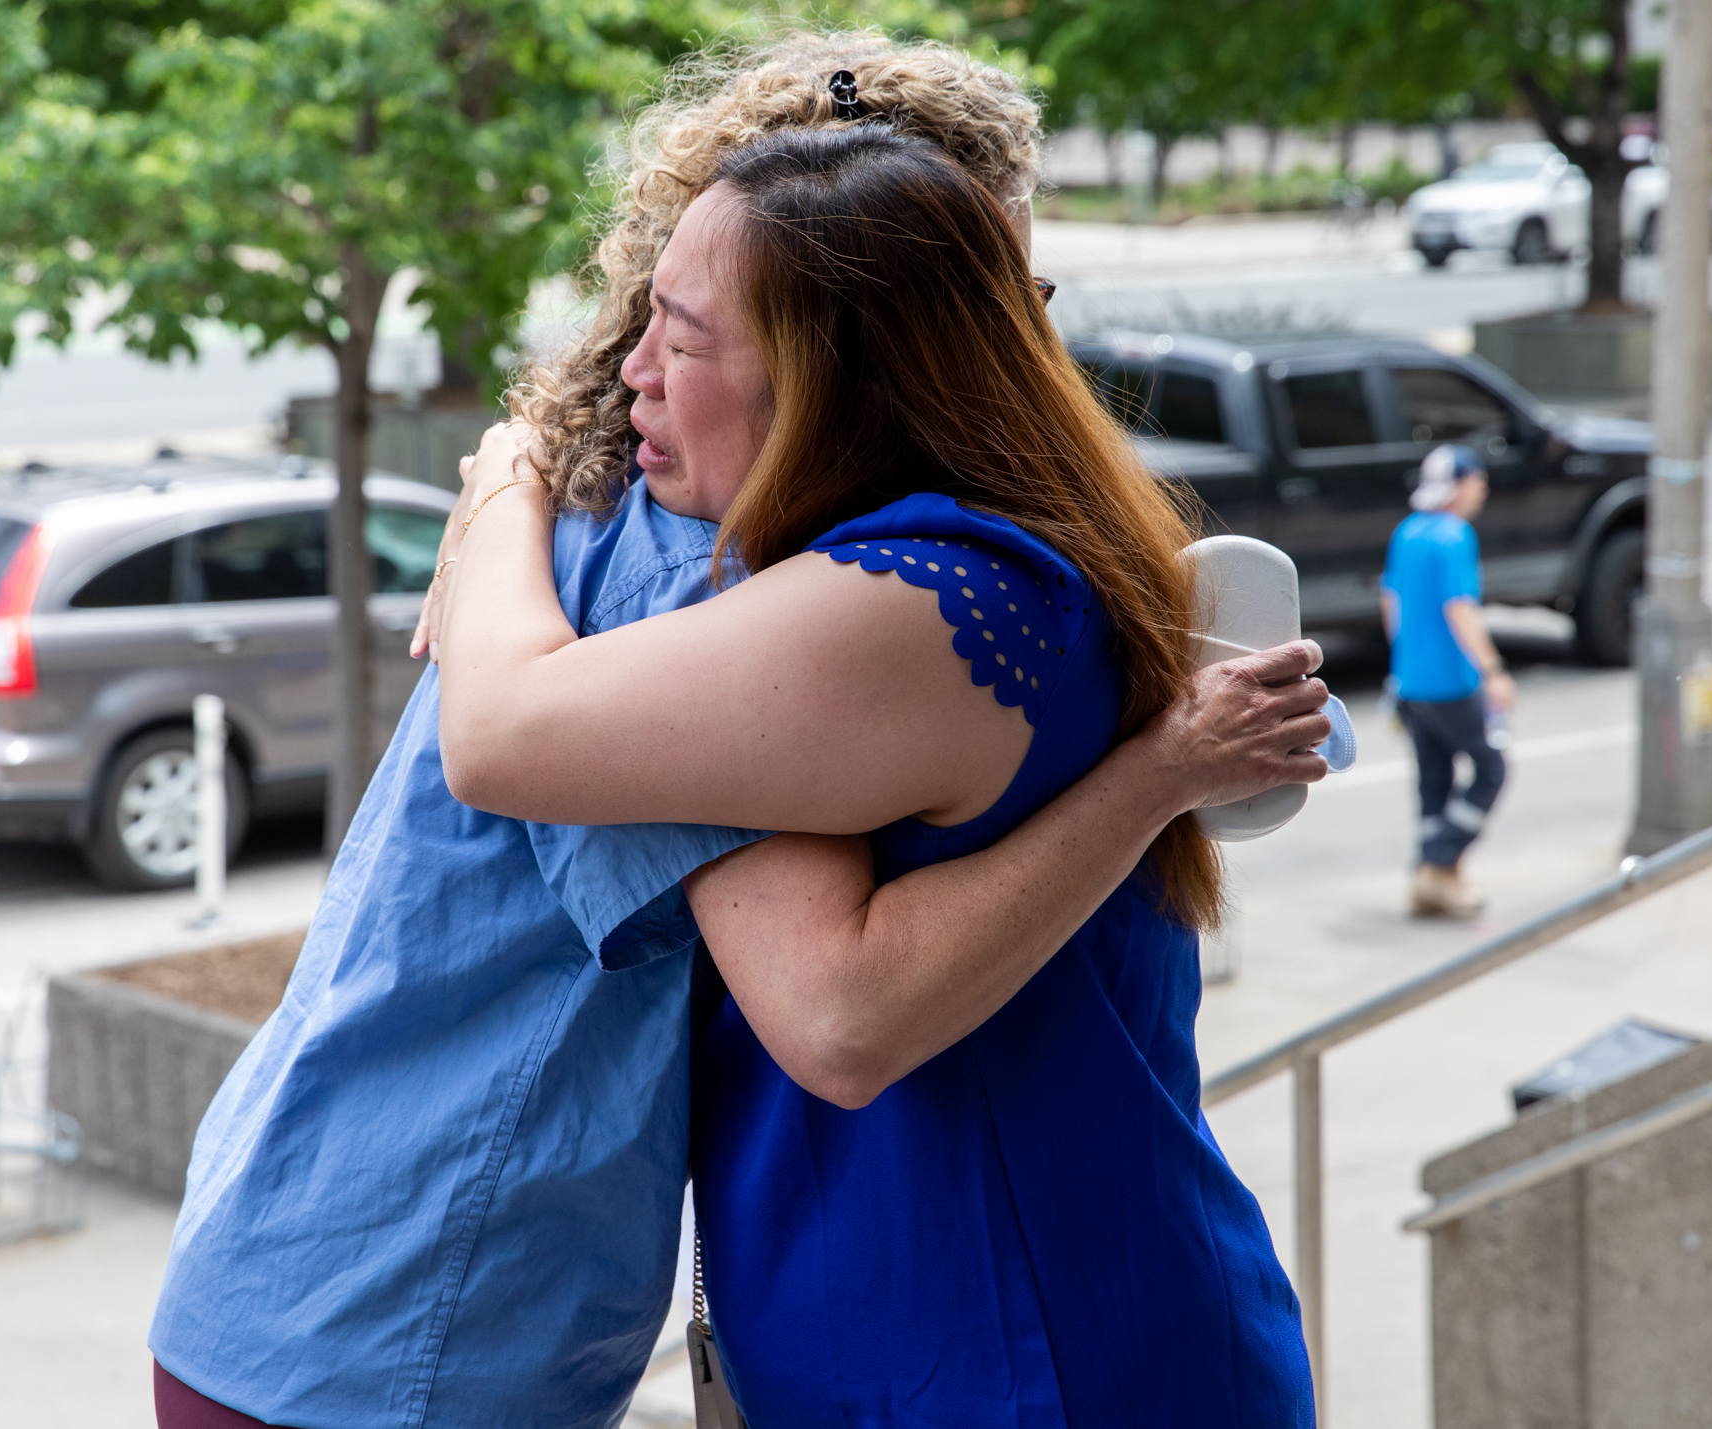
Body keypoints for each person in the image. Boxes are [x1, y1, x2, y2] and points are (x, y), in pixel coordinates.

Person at [150, 37, 1327, 1429]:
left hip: (983, 1336)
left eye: (1007, 285)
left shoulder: (875, 579)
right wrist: (515, 472)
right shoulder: (726, 554)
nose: (1016, 327)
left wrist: (510, 474)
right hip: (409, 1303)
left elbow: (837, 1006)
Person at [1381, 442, 1516, 919]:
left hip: (1410, 683)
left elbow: (1391, 601)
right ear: (1458, 486)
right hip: (1451, 683)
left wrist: (1402, 662)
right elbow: (1461, 609)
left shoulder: (1408, 531)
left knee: (1433, 781)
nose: (1481, 490)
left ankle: (1433, 877)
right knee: (1491, 770)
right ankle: (1437, 864)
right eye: (1477, 481)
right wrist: (1493, 671)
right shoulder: (1455, 536)